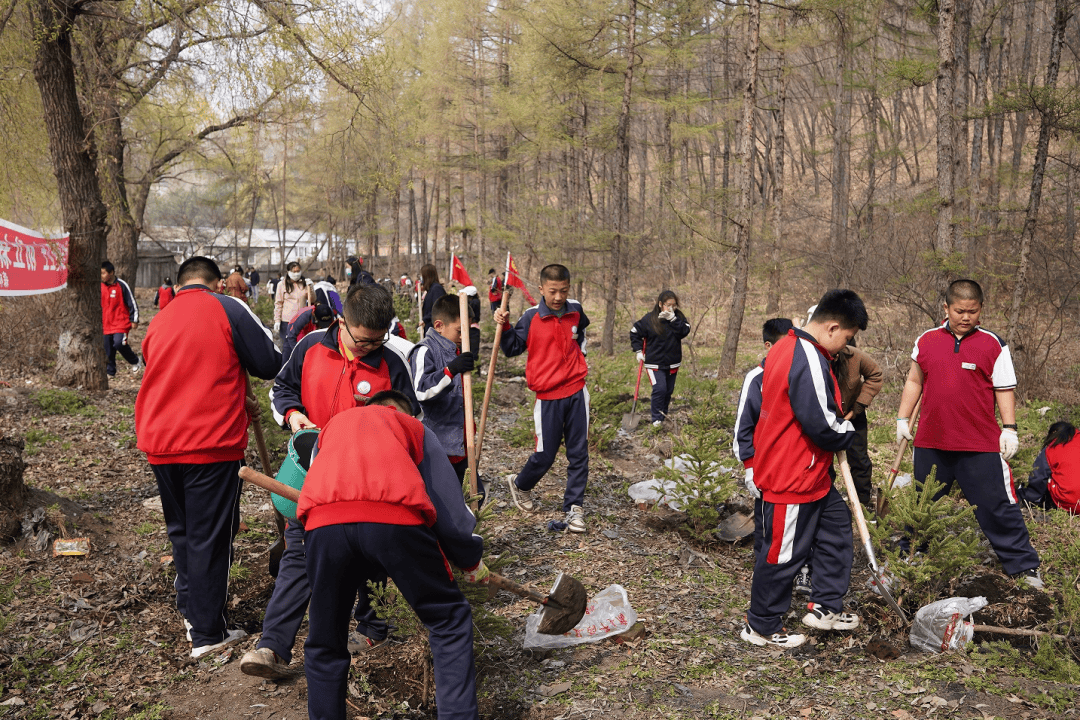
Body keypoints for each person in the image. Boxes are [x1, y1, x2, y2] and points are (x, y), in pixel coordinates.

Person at [243, 284, 421, 677]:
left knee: (370, 556)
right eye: (362, 340)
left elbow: (413, 420)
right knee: (298, 554)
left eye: (379, 340)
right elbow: (282, 390)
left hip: (370, 483)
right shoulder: (308, 348)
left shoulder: (393, 362)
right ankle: (272, 647)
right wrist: (293, 417)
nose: (370, 347)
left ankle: (373, 627)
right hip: (315, 475)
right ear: (342, 321)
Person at [295, 397, 486, 720]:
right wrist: (470, 560)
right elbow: (449, 510)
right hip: (394, 520)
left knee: (325, 640)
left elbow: (315, 482)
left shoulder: (330, 429)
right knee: (448, 619)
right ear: (401, 411)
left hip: (323, 526)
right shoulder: (413, 427)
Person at [134, 256, 281, 658]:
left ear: (180, 285)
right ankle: (206, 634)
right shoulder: (228, 307)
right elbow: (269, 362)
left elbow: (162, 367)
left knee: (182, 530)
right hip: (208, 441)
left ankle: (192, 611)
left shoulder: (161, 317)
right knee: (210, 537)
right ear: (216, 283)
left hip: (160, 442)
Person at [896, 279, 1043, 588]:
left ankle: (1023, 565)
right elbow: (914, 381)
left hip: (979, 443)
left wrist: (1010, 429)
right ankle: (912, 555)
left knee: (997, 505)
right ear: (946, 308)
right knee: (923, 503)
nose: (966, 317)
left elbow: (1004, 387)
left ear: (981, 310)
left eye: (972, 311)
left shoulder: (993, 343)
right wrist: (902, 419)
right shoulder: (927, 340)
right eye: (960, 311)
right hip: (931, 441)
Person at [742, 290, 867, 649]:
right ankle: (762, 625)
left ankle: (825, 605)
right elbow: (823, 424)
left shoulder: (790, 344)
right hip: (790, 475)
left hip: (812, 475)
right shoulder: (807, 355)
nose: (845, 347)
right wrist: (848, 432)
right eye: (846, 338)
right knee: (782, 554)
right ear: (832, 327)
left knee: (837, 528)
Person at [494, 264, 591, 533]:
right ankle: (520, 484)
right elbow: (512, 347)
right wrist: (503, 325)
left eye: (563, 291)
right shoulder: (531, 317)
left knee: (578, 453)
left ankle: (574, 509)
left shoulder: (575, 310)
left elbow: (580, 332)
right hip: (548, 396)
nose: (558, 297)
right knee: (545, 455)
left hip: (576, 390)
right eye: (552, 291)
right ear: (541, 289)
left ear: (569, 288)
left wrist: (580, 358)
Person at [732, 318, 795, 553]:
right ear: (768, 347)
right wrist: (749, 466)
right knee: (766, 520)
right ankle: (763, 563)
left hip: (792, 464)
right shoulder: (755, 379)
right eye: (783, 344)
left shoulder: (799, 375)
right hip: (764, 466)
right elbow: (743, 426)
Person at [409, 294, 476, 484]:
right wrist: (451, 370)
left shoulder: (456, 349)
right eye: (459, 330)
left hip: (461, 443)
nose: (464, 336)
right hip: (438, 446)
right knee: (443, 497)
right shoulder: (424, 351)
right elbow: (422, 391)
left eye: (467, 330)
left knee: (474, 493)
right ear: (439, 326)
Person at [629, 290, 691, 427]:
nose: (671, 308)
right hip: (654, 363)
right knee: (660, 388)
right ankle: (656, 419)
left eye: (674, 305)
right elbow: (634, 332)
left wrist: (673, 319)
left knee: (668, 391)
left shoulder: (678, 317)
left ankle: (664, 415)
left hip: (673, 362)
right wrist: (638, 350)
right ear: (660, 304)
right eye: (668, 305)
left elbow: (685, 331)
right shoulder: (649, 319)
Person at [1020, 421, 1080, 514]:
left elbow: (1038, 477)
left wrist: (1027, 495)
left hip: (1070, 503)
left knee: (1050, 476)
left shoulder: (1052, 447)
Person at [100, 260, 143, 376]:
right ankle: (110, 373)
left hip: (121, 323)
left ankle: (135, 361)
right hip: (105, 324)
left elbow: (132, 303)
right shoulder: (99, 286)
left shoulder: (122, 285)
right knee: (108, 350)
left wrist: (134, 319)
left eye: (103, 273)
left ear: (111, 272)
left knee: (119, 343)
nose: (101, 276)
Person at [281, 302, 337, 366]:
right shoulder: (304, 316)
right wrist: (299, 354)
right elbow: (291, 336)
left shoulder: (329, 312)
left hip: (311, 330)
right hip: (294, 334)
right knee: (288, 361)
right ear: (314, 316)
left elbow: (331, 331)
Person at [274, 262, 314, 340]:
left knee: (301, 344)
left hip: (302, 319)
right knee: (288, 345)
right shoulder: (282, 284)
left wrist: (311, 288)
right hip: (287, 321)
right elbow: (278, 304)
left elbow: (312, 300)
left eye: (298, 271)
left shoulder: (304, 284)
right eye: (294, 271)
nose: (296, 274)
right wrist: (277, 320)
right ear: (288, 272)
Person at [418, 263, 446, 335]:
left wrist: (425, 319)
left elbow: (438, 309)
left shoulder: (436, 289)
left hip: (435, 330)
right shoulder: (430, 290)